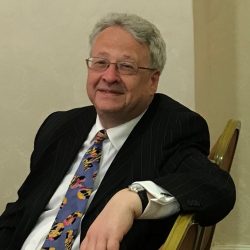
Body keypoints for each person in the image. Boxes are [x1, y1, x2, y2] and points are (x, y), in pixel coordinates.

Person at [0, 13, 236, 250]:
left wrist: (132, 199)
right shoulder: (59, 126)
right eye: (100, 62)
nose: (109, 77)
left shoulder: (173, 127)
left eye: (126, 66)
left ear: (152, 80)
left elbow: (216, 187)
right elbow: (19, 214)